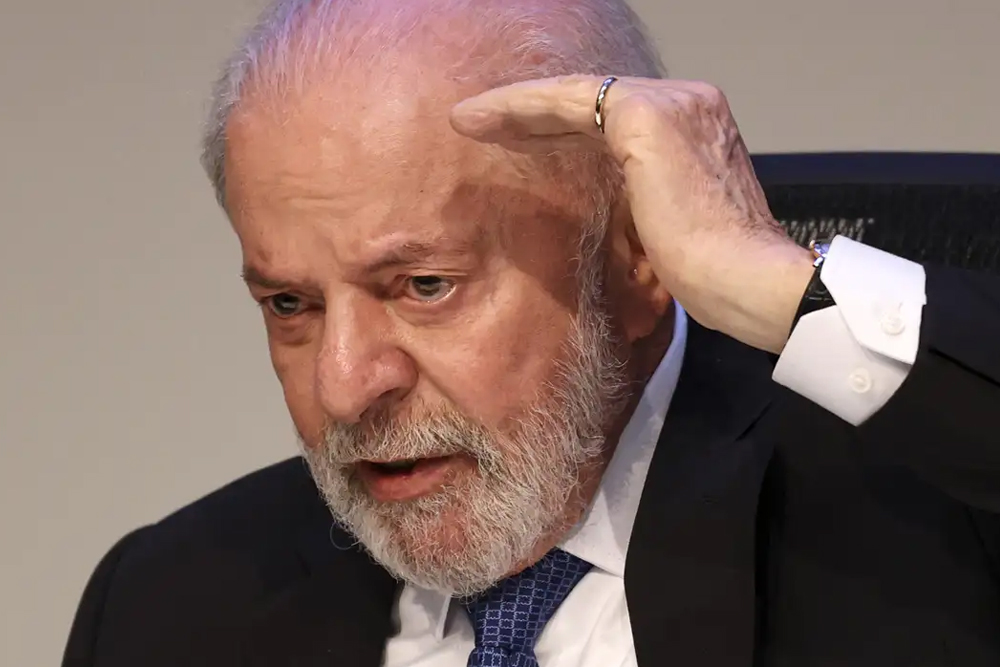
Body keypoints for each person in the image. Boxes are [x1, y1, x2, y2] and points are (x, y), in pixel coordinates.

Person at [62, 0, 1000, 665]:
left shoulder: (926, 531)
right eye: (289, 305)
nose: (344, 384)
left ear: (637, 254)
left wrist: (780, 286)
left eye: (424, 285)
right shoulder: (167, 606)